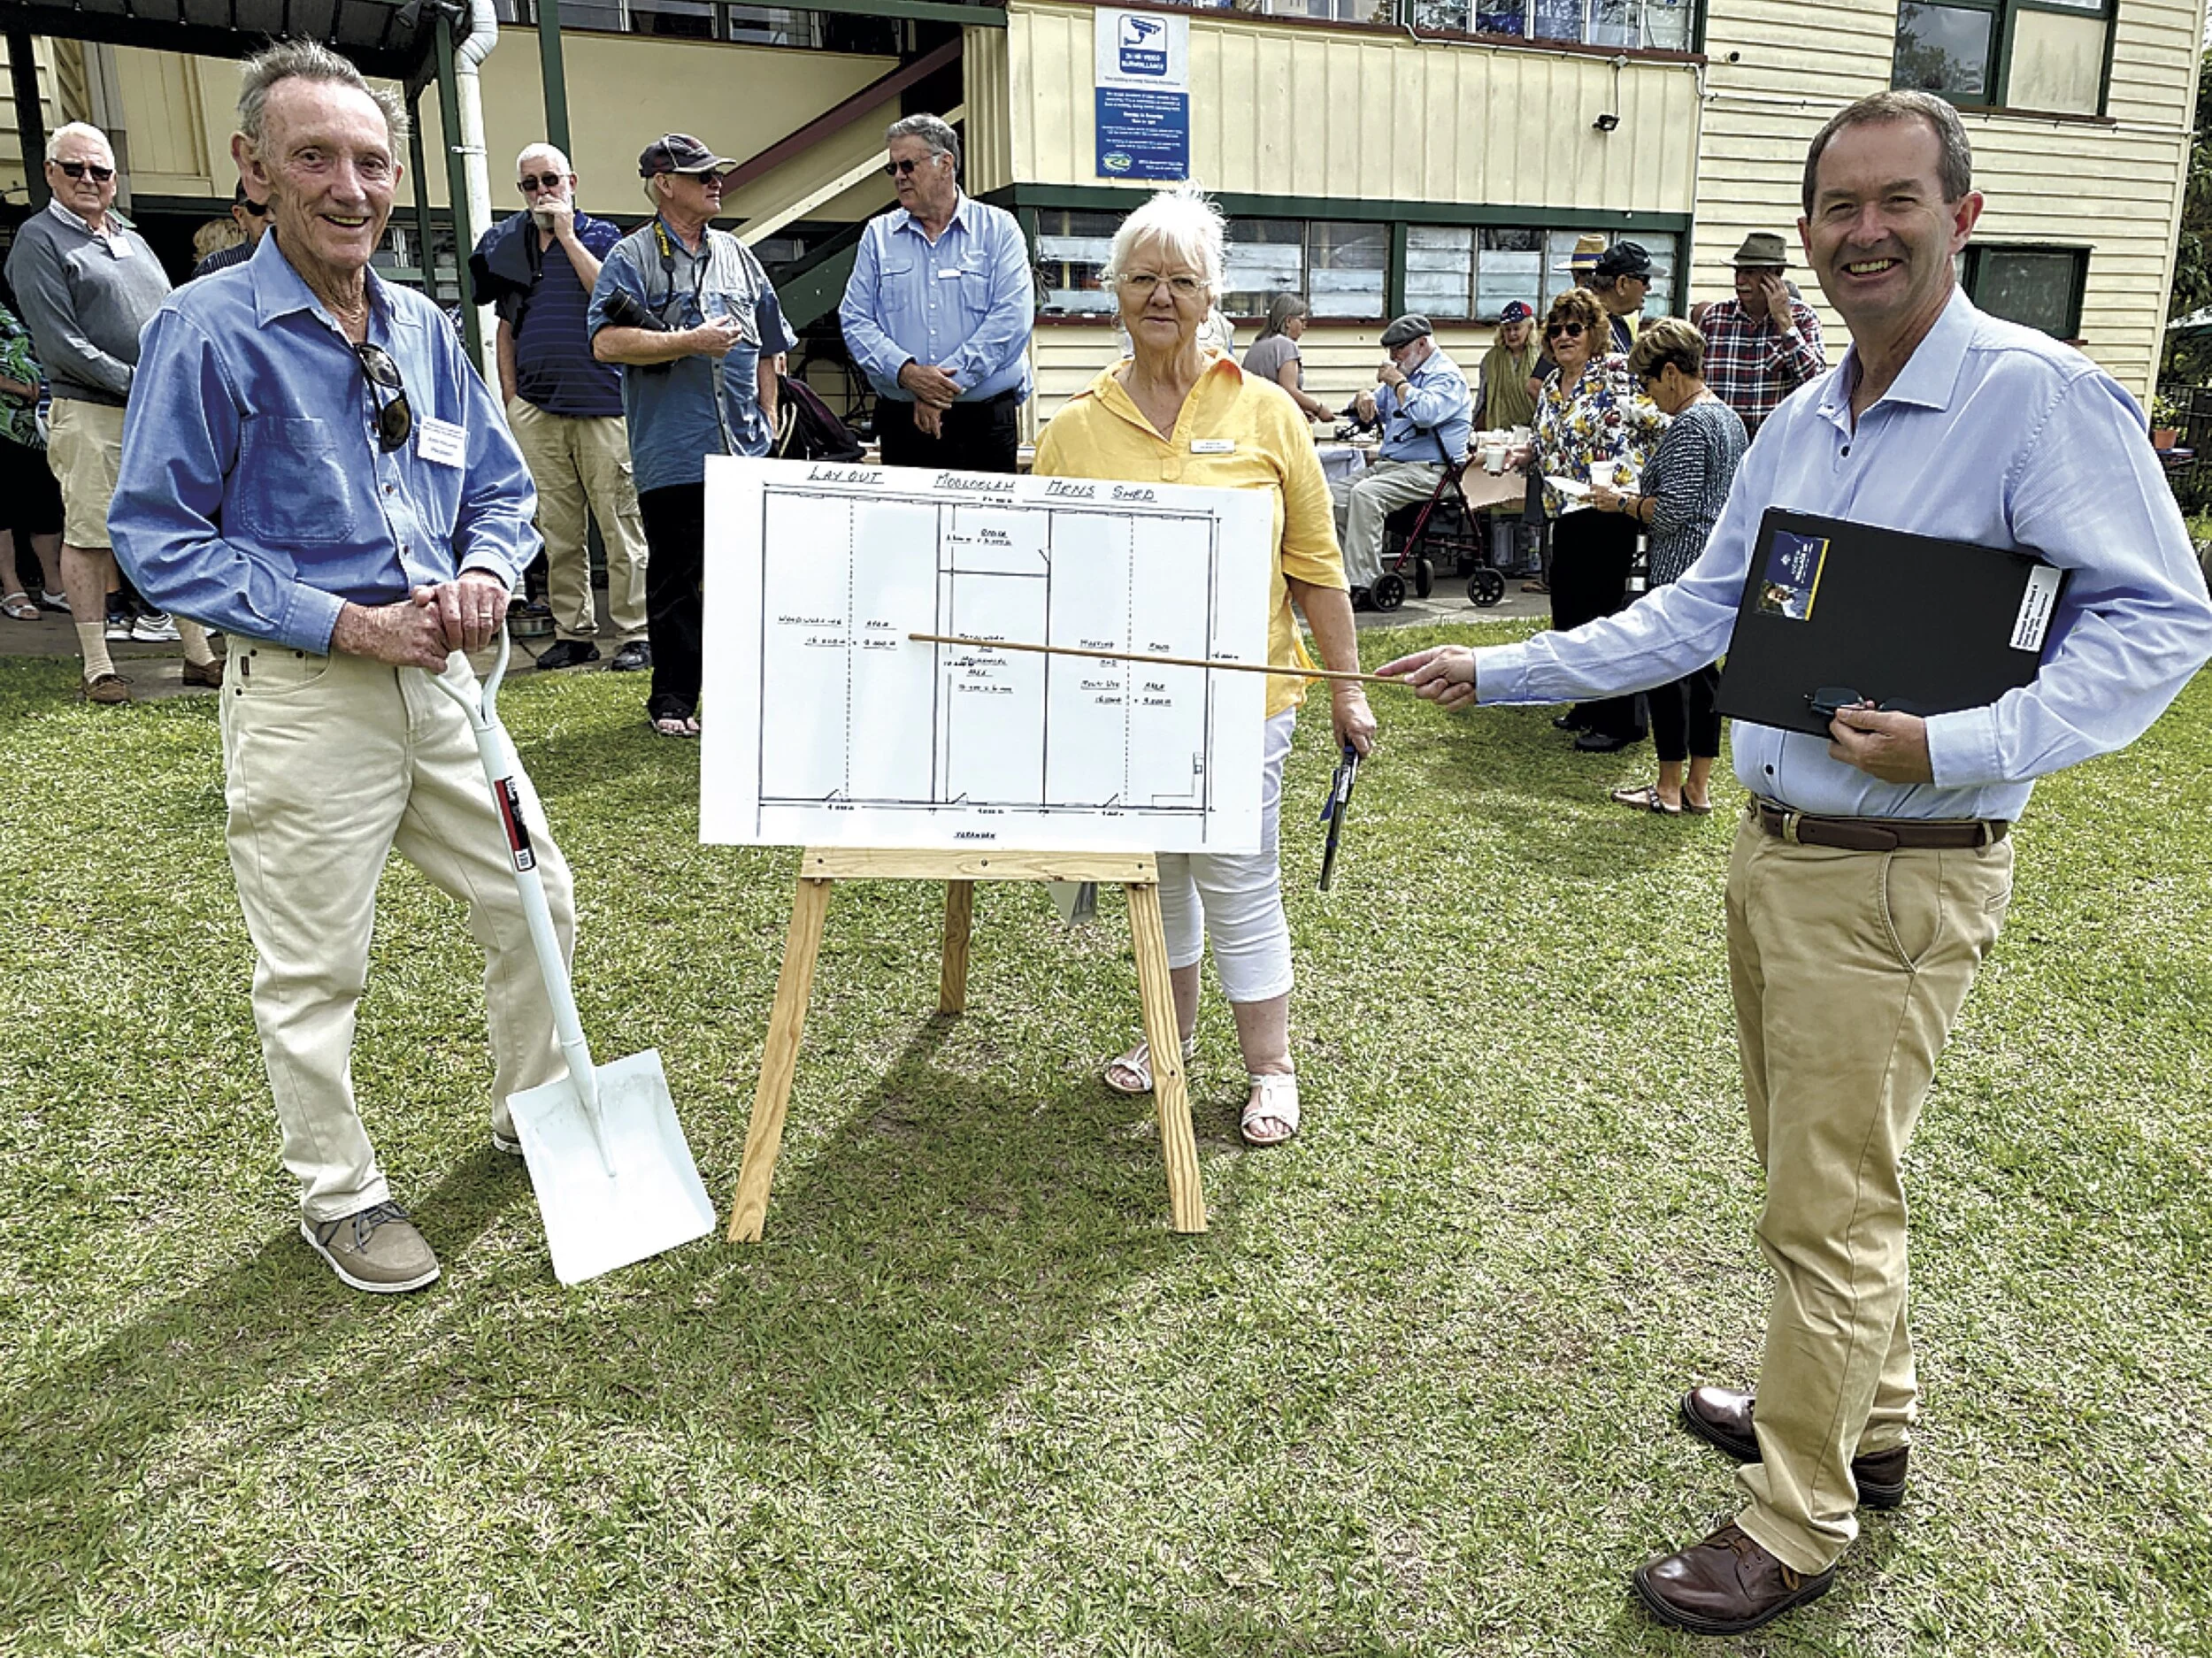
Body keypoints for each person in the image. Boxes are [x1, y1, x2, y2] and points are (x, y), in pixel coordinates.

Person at [1380, 89, 2212, 1637]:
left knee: (1827, 1210)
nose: (1865, 232)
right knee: (1822, 1183)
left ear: (1961, 218)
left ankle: (1798, 1512)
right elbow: (1704, 613)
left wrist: (1963, 736)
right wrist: (1504, 670)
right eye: (1841, 207)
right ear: (1811, 230)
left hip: (1903, 866)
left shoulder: (2038, 401)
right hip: (1778, 857)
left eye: (1900, 201)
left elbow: (2164, 619)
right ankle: (1864, 1421)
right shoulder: (1804, 415)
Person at [111, 41, 577, 1295]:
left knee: (540, 897)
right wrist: (346, 622)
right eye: (314, 156)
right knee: (317, 967)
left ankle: (535, 1114)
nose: (349, 185)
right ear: (253, 168)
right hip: (310, 693)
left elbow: (496, 485)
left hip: (445, 690)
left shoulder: (422, 324)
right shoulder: (205, 329)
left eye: (370, 160)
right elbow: (156, 538)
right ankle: (342, 1193)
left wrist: (487, 568)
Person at [1033, 183, 1376, 1148]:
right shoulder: (1072, 428)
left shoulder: (1268, 413)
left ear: (1212, 293)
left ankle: (1270, 1067)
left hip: (1247, 696)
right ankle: (1166, 1036)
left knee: (1236, 871)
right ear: (1113, 290)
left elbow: (1316, 567)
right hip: (1123, 700)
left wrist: (1347, 687)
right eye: (1142, 277)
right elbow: (1041, 574)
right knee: (1156, 872)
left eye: (1181, 279)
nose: (1160, 296)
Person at [5, 120, 221, 701]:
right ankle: (99, 665)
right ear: (50, 173)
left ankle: (199, 653)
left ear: (115, 179)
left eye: (100, 171)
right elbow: (58, 343)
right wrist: (142, 381)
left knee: (175, 526)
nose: (88, 179)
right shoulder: (39, 239)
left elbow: (168, 310)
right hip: (91, 410)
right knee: (89, 535)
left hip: (155, 410)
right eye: (74, 168)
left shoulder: (126, 232)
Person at [590, 133, 794, 737]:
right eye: (700, 174)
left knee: (750, 578)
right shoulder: (630, 258)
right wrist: (687, 342)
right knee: (678, 580)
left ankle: (749, 695)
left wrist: (769, 404)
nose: (715, 182)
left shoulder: (738, 253)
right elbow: (605, 343)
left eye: (715, 173)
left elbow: (771, 339)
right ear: (664, 184)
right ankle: (674, 700)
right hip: (674, 449)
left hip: (745, 447)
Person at [471, 142, 650, 674]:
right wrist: (511, 397)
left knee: (620, 525)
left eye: (550, 180)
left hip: (603, 408)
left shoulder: (604, 239)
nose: (542, 192)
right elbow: (506, 328)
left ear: (572, 181)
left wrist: (566, 234)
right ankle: (575, 633)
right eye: (530, 185)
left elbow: (611, 298)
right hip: (539, 411)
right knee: (558, 531)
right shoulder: (514, 247)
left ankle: (635, 631)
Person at [1587, 319, 1747, 814]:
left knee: (1668, 676)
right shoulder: (1730, 420)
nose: (1648, 394)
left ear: (1673, 373)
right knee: (1704, 681)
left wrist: (1623, 504)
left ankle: (1668, 788)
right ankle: (1698, 786)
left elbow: (1672, 509)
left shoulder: (1690, 425)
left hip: (1680, 569)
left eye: (1648, 382)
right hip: (1718, 565)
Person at [839, 113, 1032, 472]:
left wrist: (940, 390)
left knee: (986, 528)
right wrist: (907, 373)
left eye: (907, 165)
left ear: (946, 164)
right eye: (892, 168)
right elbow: (855, 319)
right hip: (902, 421)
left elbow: (1011, 319)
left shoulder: (999, 230)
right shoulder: (877, 236)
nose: (899, 176)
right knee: (905, 528)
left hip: (984, 422)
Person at [1519, 286, 1663, 752]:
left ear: (1594, 332)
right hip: (1566, 510)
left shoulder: (1616, 373)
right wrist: (1524, 453)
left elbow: (1658, 420)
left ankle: (1622, 720)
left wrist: (1641, 478)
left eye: (1574, 328)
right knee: (1570, 611)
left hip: (1608, 509)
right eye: (1556, 329)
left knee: (1605, 613)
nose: (1563, 336)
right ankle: (1586, 701)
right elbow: (1547, 443)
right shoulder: (1552, 387)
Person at [1329, 313, 1471, 602]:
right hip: (1391, 466)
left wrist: (1397, 383)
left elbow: (1425, 414)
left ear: (1422, 344)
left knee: (1366, 495)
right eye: (1391, 351)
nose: (1394, 357)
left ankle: (1365, 586)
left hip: (1432, 471)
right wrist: (1363, 396)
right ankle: (1342, 577)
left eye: (1399, 349)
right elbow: (1367, 410)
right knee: (1331, 497)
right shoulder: (1406, 376)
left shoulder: (1446, 377)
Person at [1698, 231, 1828, 439]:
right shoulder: (1714, 318)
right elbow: (1695, 380)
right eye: (1737, 272)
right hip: (1723, 443)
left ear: (1774, 276)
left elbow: (1816, 383)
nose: (1740, 280)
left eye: (1749, 272)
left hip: (1777, 444)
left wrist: (1785, 324)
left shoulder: (1803, 318)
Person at [0, 292, 64, 619]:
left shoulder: (23, 297)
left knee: (46, 500)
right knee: (3, 508)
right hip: (3, 420)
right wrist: (20, 388)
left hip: (36, 425)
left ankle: (54, 586)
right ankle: (11, 587)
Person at [1478, 300, 1543, 578]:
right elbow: (1482, 399)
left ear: (1530, 329)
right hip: (1499, 434)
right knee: (1497, 495)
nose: (1512, 335)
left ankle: (1532, 558)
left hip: (1530, 434)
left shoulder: (1542, 357)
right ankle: (1502, 559)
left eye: (1517, 328)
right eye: (1507, 329)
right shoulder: (1491, 360)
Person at [1242, 294, 1334, 421]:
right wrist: (1318, 408)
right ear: (1288, 321)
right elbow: (1289, 389)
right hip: (1274, 423)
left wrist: (1300, 410)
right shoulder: (1285, 345)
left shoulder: (1256, 346)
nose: (1305, 326)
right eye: (1302, 321)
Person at [189, 180, 273, 280]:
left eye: (279, 208)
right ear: (240, 216)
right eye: (257, 208)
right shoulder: (216, 268)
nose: (270, 218)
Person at [1592, 239, 1652, 354]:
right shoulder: (1584, 328)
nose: (1649, 288)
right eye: (1645, 280)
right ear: (1622, 283)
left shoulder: (1618, 324)